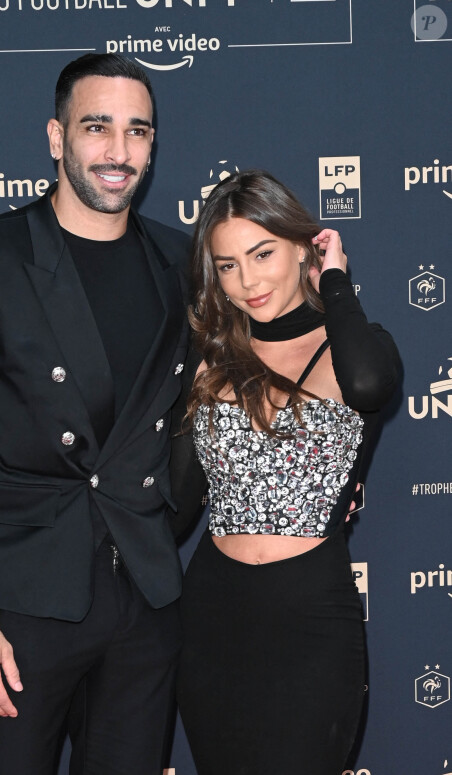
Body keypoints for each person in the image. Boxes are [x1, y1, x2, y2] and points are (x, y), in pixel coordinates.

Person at [0, 53, 191, 775]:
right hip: (19, 611)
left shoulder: (180, 261)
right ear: (57, 137)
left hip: (145, 601)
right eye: (97, 127)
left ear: (154, 145)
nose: (118, 152)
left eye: (137, 131)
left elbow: (232, 395)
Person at [171, 170, 401, 775]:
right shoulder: (211, 360)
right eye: (226, 265)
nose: (247, 281)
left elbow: (371, 385)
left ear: (304, 244)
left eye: (262, 252)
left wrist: (336, 281)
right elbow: (176, 502)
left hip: (310, 617)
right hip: (213, 614)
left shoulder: (356, 345)